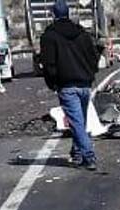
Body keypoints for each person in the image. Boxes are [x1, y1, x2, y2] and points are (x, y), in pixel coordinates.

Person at [40, 0, 100, 170]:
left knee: (76, 123)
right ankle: (77, 153)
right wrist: (91, 74)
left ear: (53, 15)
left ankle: (89, 156)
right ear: (68, 13)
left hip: (67, 85)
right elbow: (93, 57)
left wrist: (53, 83)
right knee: (80, 121)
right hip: (85, 84)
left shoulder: (49, 36)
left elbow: (49, 64)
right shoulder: (82, 34)